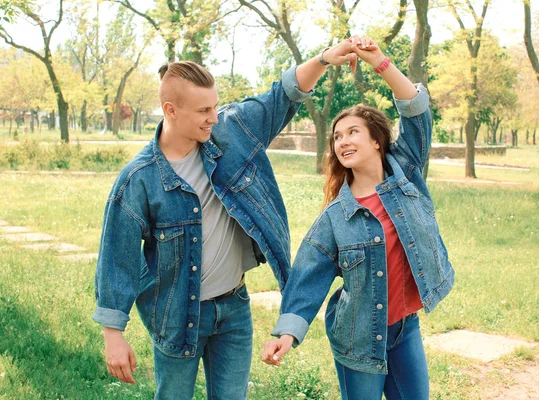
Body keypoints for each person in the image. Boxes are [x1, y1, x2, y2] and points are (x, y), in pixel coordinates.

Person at [92, 41, 358, 400]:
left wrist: (325, 58)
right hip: (176, 316)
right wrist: (114, 335)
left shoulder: (231, 132)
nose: (214, 116)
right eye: (203, 110)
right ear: (170, 111)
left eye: (215, 105)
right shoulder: (139, 179)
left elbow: (283, 95)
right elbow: (117, 257)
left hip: (234, 308)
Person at [262, 37, 454, 400]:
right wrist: (286, 334)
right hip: (357, 337)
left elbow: (415, 109)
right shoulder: (336, 217)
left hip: (405, 329)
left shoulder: (407, 174)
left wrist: (379, 61)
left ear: (378, 141)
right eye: (337, 137)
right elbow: (307, 278)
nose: (342, 141)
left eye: (353, 132)